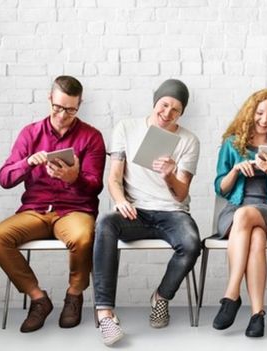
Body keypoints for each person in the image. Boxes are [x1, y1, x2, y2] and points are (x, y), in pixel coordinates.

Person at [0, 76, 106, 332]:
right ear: (50, 99)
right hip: (36, 210)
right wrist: (27, 163)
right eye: (58, 107)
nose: (63, 115)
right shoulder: (30, 133)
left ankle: (74, 295)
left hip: (75, 210)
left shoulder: (92, 137)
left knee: (84, 237)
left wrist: (74, 178)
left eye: (71, 109)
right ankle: (38, 299)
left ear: (79, 104)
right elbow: (4, 179)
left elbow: (96, 185)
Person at [92, 79, 201, 346]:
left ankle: (161, 297)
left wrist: (169, 176)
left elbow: (182, 194)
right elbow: (114, 178)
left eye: (176, 110)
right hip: (135, 211)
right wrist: (120, 201)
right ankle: (105, 313)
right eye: (164, 105)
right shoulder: (126, 128)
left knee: (191, 243)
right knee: (106, 223)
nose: (167, 113)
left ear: (182, 113)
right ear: (155, 102)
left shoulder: (188, 141)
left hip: (172, 212)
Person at [212, 88, 267, 337]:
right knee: (256, 236)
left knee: (247, 215)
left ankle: (231, 294)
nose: (264, 120)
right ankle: (257, 315)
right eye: (260, 113)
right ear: (251, 112)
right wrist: (235, 171)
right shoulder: (232, 143)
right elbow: (220, 187)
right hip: (234, 211)